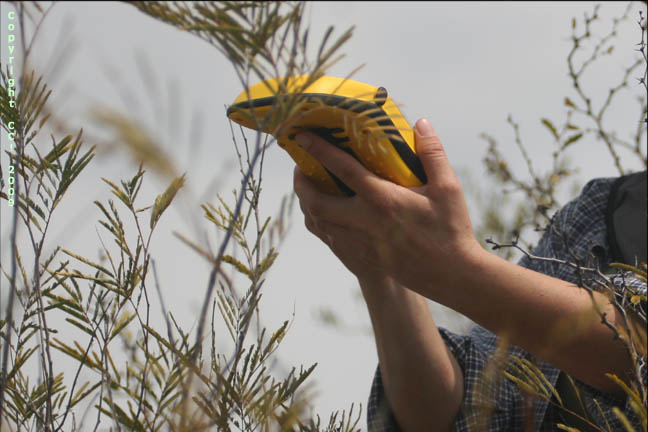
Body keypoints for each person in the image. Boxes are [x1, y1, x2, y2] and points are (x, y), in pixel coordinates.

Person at [292, 118, 647, 431]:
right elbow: (467, 412)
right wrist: (385, 264)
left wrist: (456, 267)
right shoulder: (597, 213)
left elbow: (637, 348)